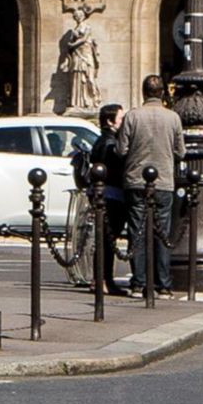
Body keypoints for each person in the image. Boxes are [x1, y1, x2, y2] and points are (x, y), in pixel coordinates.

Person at [122, 93, 185, 297]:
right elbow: (181, 152)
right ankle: (163, 284)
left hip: (136, 180)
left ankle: (139, 283)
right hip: (164, 181)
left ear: (143, 92)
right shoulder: (173, 117)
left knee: (136, 231)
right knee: (162, 233)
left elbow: (121, 149)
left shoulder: (132, 116)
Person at [84, 105, 133, 292]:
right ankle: (103, 280)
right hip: (110, 195)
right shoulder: (109, 143)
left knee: (105, 238)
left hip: (104, 193)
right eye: (121, 119)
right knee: (108, 238)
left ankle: (102, 279)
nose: (123, 122)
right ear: (110, 121)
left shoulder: (103, 140)